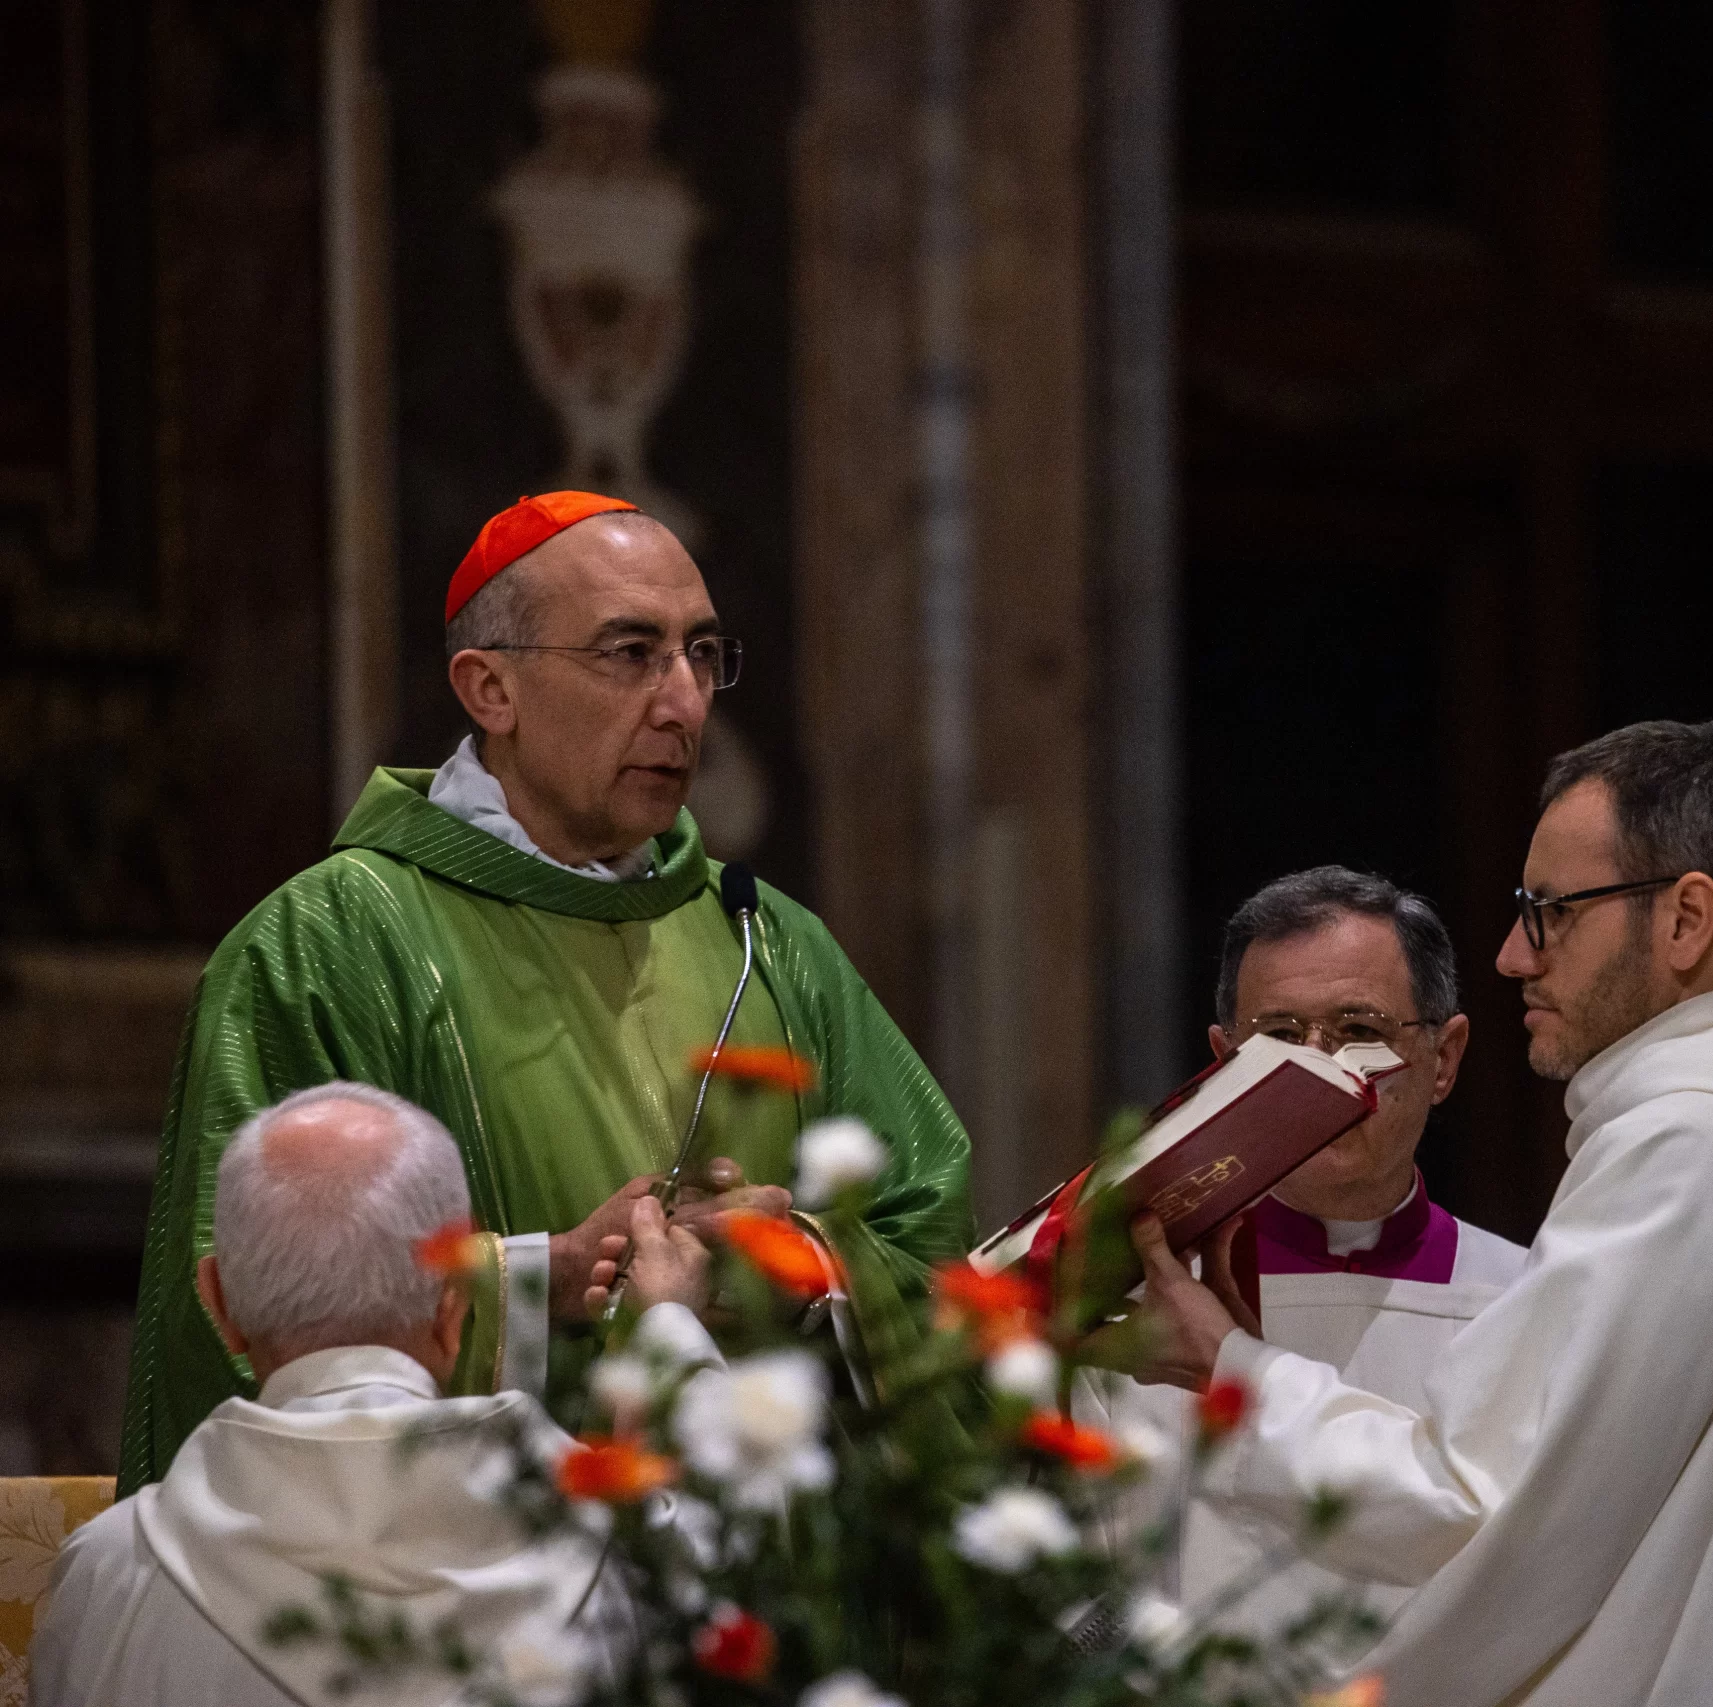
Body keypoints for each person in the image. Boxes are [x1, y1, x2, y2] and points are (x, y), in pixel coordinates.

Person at [120, 492, 971, 1490]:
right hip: (470, 1585)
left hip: (760, 1594)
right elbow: (239, 1295)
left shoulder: (769, 942)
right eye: (630, 653)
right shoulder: (331, 947)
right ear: (490, 691)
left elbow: (939, 1239)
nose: (685, 702)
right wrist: (542, 1282)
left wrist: (801, 1270)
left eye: (702, 654)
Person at [1125, 718, 1713, 1707]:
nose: (1514, 955)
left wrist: (1226, 1370)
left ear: (1687, 919)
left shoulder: (1690, 1154)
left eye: (1550, 911)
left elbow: (1470, 1501)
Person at [37, 1082, 718, 1707]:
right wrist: (669, 1330)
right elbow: (730, 1576)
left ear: (220, 1305)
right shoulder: (605, 1542)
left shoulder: (110, 1573)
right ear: (455, 1306)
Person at [1083, 866, 1527, 1639]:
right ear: (1224, 1064)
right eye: (1280, 1039)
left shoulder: (1530, 1299)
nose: (1320, 1070)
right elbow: (1080, 1593)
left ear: (1444, 1057)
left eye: (1360, 1029)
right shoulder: (1142, 1317)